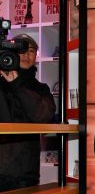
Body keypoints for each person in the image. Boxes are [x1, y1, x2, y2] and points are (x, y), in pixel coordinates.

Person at [0, 34, 56, 191]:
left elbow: (43, 116)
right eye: (21, 49)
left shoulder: (41, 89)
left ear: (36, 56)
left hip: (26, 172)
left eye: (31, 50)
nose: (26, 54)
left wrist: (16, 84)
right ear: (11, 52)